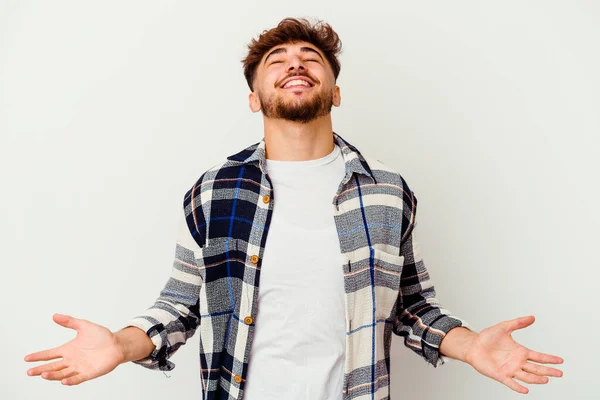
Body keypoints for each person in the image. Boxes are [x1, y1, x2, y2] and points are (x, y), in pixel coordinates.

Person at [24, 17, 564, 399]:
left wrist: (471, 348)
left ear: (334, 90)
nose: (295, 64)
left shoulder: (387, 192)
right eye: (276, 60)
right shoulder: (214, 192)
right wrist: (118, 346)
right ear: (256, 96)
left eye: (312, 59)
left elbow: (410, 305)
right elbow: (183, 304)